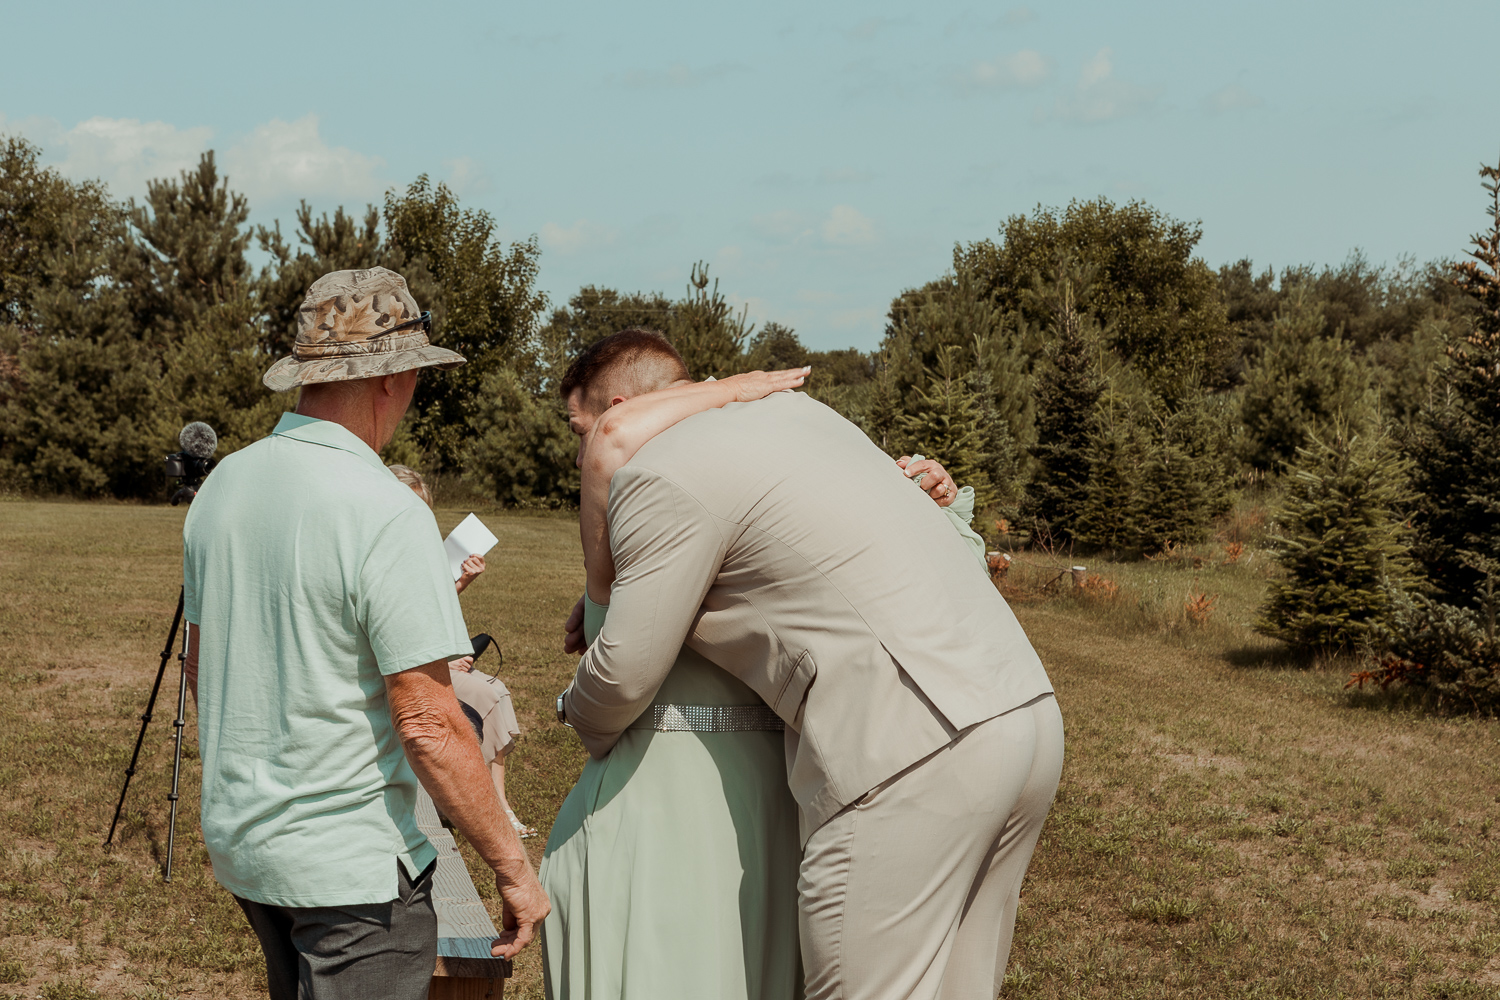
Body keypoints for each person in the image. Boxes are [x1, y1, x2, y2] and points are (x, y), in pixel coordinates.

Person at [555, 328, 1063, 1000]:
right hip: (1024, 716)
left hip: (908, 743)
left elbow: (624, 673)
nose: (581, 453)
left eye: (578, 430)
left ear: (619, 411)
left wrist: (576, 709)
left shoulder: (662, 470)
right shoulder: (806, 419)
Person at [181, 266, 548, 1000]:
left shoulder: (223, 485)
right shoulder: (385, 507)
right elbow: (430, 723)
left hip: (248, 845)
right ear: (392, 378)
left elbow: (201, 665)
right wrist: (514, 869)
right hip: (352, 873)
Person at [391, 463, 534, 838]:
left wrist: (462, 582)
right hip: (411, 671)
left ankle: (498, 804)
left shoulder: (416, 552)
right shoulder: (382, 559)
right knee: (486, 694)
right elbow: (397, 633)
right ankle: (469, 804)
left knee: (495, 691)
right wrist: (441, 660)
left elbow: (429, 613)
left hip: (432, 658)